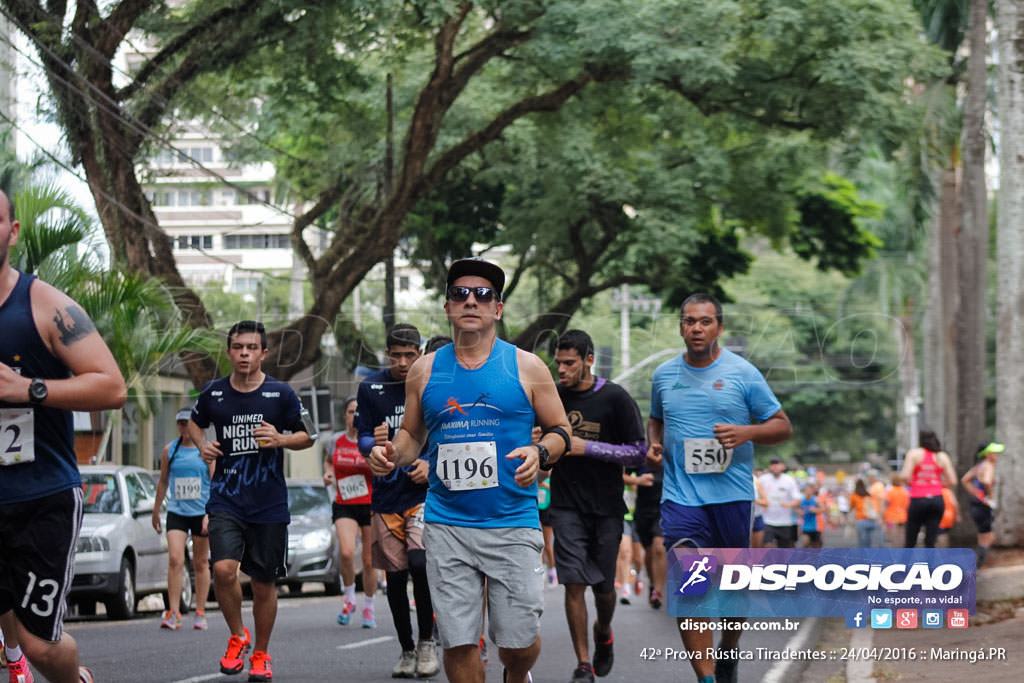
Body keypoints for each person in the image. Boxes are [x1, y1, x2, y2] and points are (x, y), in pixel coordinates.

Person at [368, 257, 571, 683]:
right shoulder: (425, 370)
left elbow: (561, 430)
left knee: (518, 642)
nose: (471, 301)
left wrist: (541, 453)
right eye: (460, 294)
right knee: (459, 641)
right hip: (447, 523)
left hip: (512, 522)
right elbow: (410, 436)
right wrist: (390, 455)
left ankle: (516, 674)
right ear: (447, 308)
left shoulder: (527, 366)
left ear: (497, 308)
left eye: (483, 294)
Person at [0, 189, 127, 683]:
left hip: (41, 497)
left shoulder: (45, 306)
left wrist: (27, 388)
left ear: (12, 232)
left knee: (41, 647)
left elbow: (112, 386)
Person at [646, 293, 792, 683]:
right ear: (681, 326)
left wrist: (748, 432)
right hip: (681, 498)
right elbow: (656, 419)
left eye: (705, 321)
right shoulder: (664, 375)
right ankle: (706, 678)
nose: (696, 328)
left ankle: (728, 649)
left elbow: (782, 425)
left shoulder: (743, 373)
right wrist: (654, 443)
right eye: (689, 321)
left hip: (732, 497)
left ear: (719, 328)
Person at [187, 320, 316, 682]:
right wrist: (203, 446)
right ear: (229, 352)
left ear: (263, 353)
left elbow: (310, 434)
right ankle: (236, 635)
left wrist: (280, 439)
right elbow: (196, 424)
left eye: (251, 347)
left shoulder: (282, 394)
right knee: (223, 569)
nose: (244, 353)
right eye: (238, 347)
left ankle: (260, 652)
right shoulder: (213, 394)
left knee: (263, 583)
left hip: (269, 502)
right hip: (226, 497)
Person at [548, 328, 646, 683]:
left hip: (606, 506)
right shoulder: (552, 397)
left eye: (569, 363)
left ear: (589, 360)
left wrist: (586, 447)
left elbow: (638, 452)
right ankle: (584, 663)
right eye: (558, 363)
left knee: (604, 590)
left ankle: (603, 630)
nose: (561, 370)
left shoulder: (615, 398)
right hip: (565, 504)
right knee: (573, 583)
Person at [355, 323, 438, 679]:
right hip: (386, 497)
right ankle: (406, 649)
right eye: (397, 355)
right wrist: (372, 447)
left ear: (420, 352)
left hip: (423, 495)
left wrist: (430, 464)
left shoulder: (432, 383)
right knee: (396, 575)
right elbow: (361, 438)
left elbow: (447, 432)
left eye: (410, 355)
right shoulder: (371, 387)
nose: (404, 362)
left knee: (420, 565)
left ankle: (427, 643)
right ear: (387, 354)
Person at [152, 406, 213, 631]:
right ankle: (174, 611)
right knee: (175, 559)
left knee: (200, 562)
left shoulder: (205, 451)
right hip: (177, 511)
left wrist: (210, 513)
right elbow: (163, 481)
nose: (184, 427)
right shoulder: (171, 450)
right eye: (180, 423)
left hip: (200, 513)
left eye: (187, 422)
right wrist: (156, 510)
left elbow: (215, 482)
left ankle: (200, 611)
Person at [322, 396, 377, 628]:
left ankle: (369, 606)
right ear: (344, 415)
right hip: (344, 503)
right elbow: (328, 462)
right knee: (346, 553)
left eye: (359, 412)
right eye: (351, 411)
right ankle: (349, 598)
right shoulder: (335, 441)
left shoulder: (372, 441)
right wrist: (327, 474)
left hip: (371, 505)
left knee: (368, 560)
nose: (355, 416)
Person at [900, 428, 957, 548]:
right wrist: (936, 485)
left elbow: (905, 476)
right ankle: (929, 566)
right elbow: (953, 481)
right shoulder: (941, 456)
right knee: (930, 540)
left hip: (918, 499)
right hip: (936, 499)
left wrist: (915, 484)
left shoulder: (914, 454)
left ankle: (905, 565)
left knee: (911, 538)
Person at [630, 466, 666, 609]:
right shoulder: (640, 452)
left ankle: (657, 591)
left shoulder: (671, 449)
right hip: (643, 510)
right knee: (649, 551)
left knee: (659, 547)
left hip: (663, 508)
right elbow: (621, 475)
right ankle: (652, 583)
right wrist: (637, 480)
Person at [962, 442, 1003, 566]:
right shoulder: (988, 465)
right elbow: (986, 480)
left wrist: (975, 493)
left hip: (976, 504)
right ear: (988, 454)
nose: (997, 455)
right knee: (988, 538)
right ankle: (978, 566)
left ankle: (978, 566)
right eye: (995, 453)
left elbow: (964, 480)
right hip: (983, 505)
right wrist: (989, 497)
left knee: (983, 536)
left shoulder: (979, 466)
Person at [758, 458, 801, 548]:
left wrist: (789, 504)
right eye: (772, 464)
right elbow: (756, 496)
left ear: (783, 466)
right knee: (768, 546)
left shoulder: (789, 480)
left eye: (777, 464)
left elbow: (797, 499)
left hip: (785, 522)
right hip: (767, 521)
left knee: (784, 550)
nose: (775, 466)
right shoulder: (763, 479)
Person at [850, 478, 881, 548]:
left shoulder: (854, 496)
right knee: (868, 541)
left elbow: (851, 507)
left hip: (861, 520)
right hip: (872, 520)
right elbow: (875, 507)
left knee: (861, 543)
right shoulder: (869, 495)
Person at [883, 473, 909, 547]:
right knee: (902, 535)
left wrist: (882, 515)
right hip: (903, 516)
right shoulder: (905, 491)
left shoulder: (890, 491)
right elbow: (907, 505)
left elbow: (886, 504)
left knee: (893, 536)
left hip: (891, 516)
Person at [799, 483, 823, 548]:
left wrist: (815, 510)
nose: (808, 492)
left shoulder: (815, 499)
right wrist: (800, 512)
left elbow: (823, 508)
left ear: (812, 491)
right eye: (807, 490)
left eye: (810, 490)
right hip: (805, 527)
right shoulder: (801, 500)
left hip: (815, 527)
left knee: (816, 546)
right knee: (805, 542)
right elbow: (796, 508)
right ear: (804, 491)